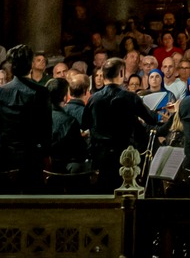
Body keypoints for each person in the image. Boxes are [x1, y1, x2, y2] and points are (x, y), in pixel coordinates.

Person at [81, 57, 150, 186]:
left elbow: (85, 124)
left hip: (100, 155)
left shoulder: (93, 99)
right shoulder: (130, 97)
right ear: (122, 73)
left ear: (104, 75)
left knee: (102, 192)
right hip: (124, 156)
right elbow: (150, 119)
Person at [0, 45, 52, 186]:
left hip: (7, 153)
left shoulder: (1, 91)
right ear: (30, 65)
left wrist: (9, 136)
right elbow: (46, 127)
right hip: (31, 155)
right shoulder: (41, 92)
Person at [45, 77, 89, 175]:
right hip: (63, 171)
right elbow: (80, 153)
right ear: (65, 97)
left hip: (42, 170)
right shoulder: (69, 121)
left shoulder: (38, 116)